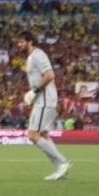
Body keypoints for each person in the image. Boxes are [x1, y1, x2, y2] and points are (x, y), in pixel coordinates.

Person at [13, 31, 70, 179]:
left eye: (21, 42)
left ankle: (63, 162)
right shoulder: (32, 57)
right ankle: (60, 169)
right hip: (43, 99)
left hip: (44, 100)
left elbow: (50, 75)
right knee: (43, 134)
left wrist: (34, 91)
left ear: (30, 41)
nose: (18, 45)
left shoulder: (37, 55)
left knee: (32, 135)